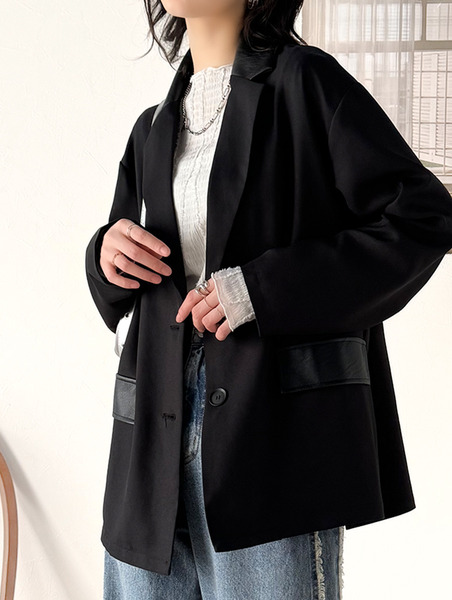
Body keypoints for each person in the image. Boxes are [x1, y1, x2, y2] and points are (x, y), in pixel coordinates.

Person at [85, 1, 452, 598]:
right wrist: (104, 254)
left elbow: (422, 219)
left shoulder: (306, 83)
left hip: (270, 436)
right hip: (149, 443)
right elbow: (125, 282)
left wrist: (259, 289)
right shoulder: (151, 128)